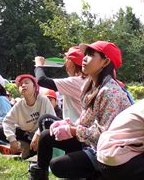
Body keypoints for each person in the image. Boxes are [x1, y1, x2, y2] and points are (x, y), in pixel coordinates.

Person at [30, 41, 132, 180]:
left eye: (90, 55)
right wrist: (69, 125)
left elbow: (104, 136)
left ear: (105, 62)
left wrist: (73, 130)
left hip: (108, 152)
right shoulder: (89, 85)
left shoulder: (110, 92)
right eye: (85, 54)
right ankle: (39, 176)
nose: (84, 58)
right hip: (91, 141)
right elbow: (86, 119)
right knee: (46, 136)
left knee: (58, 165)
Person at [0, 75, 55, 159]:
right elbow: (7, 121)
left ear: (35, 87)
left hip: (44, 136)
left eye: (26, 82)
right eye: (20, 85)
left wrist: (38, 134)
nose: (23, 85)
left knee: (45, 138)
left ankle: (30, 151)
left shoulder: (43, 100)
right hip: (28, 137)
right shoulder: (19, 105)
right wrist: (12, 139)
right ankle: (25, 147)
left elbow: (51, 120)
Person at [35, 46, 86, 123]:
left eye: (67, 59)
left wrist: (38, 65)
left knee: (44, 119)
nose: (65, 63)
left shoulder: (75, 81)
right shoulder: (88, 79)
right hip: (84, 123)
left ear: (71, 63)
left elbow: (42, 80)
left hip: (77, 125)